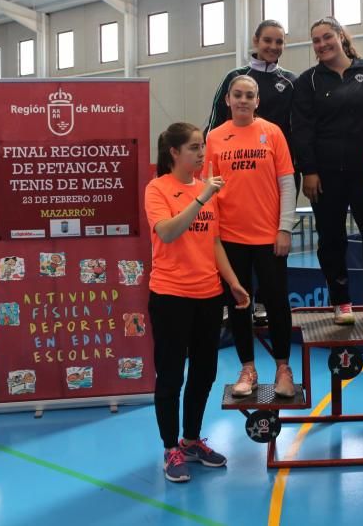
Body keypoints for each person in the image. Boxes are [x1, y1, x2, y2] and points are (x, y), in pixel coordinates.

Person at [144, 122, 249, 484]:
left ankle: (191, 441)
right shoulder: (157, 189)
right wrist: (202, 196)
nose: (202, 153)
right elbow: (169, 232)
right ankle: (170, 447)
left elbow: (214, 242)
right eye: (193, 148)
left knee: (204, 373)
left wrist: (233, 283)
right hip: (170, 296)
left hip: (208, 296)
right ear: (174, 153)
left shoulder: (207, 190)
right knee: (171, 375)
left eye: (202, 147)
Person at [291, 16, 363, 324]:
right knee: (331, 238)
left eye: (327, 37)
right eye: (316, 41)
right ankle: (342, 303)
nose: (322, 44)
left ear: (340, 36)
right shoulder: (308, 81)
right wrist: (309, 170)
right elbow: (302, 129)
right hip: (325, 176)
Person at [205, 76, 297, 399]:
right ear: (228, 100)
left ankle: (283, 368)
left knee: (277, 303)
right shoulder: (215, 138)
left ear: (257, 101)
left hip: (269, 238)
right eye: (237, 95)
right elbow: (208, 189)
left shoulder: (272, 133)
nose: (243, 100)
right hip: (230, 239)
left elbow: (287, 182)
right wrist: (211, 235)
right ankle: (248, 368)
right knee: (239, 304)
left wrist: (284, 227)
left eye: (249, 95)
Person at [204, 20, 297, 328]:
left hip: (274, 182)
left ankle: (282, 362)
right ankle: (247, 355)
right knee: (239, 291)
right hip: (235, 209)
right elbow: (213, 125)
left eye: (279, 42)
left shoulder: (290, 82)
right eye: (267, 40)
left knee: (276, 290)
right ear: (256, 40)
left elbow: (301, 130)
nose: (272, 46)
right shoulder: (234, 78)